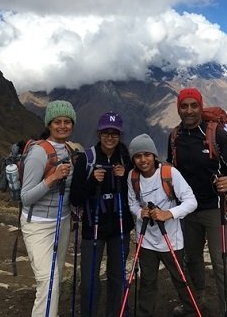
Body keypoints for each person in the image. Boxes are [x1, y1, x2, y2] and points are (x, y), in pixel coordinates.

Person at [167, 88, 227, 317]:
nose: (189, 110)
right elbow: (171, 171)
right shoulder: (174, 137)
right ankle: (193, 303)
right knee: (191, 259)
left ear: (201, 107)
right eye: (184, 106)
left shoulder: (217, 134)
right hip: (187, 210)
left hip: (216, 209)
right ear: (179, 109)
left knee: (222, 263)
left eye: (194, 105)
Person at [70, 111, 134, 317]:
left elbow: (134, 194)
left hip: (120, 227)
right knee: (89, 278)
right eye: (106, 132)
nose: (110, 137)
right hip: (93, 227)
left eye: (114, 133)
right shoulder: (86, 159)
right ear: (98, 133)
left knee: (117, 277)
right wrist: (92, 182)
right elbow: (76, 198)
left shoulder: (126, 160)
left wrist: (124, 179)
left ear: (120, 135)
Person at [127, 133, 198, 316]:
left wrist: (168, 214)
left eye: (147, 154)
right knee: (147, 282)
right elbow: (132, 203)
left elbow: (191, 201)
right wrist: (140, 213)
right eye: (138, 156)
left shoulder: (169, 173)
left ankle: (191, 310)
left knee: (180, 279)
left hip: (171, 240)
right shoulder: (133, 177)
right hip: (146, 241)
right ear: (133, 159)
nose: (143, 160)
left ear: (154, 155)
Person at [20, 100, 77, 317]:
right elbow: (26, 197)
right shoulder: (38, 153)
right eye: (57, 122)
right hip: (38, 225)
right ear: (49, 124)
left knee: (56, 276)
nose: (63, 126)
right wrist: (52, 178)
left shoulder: (70, 149)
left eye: (67, 122)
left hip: (62, 221)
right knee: (48, 282)